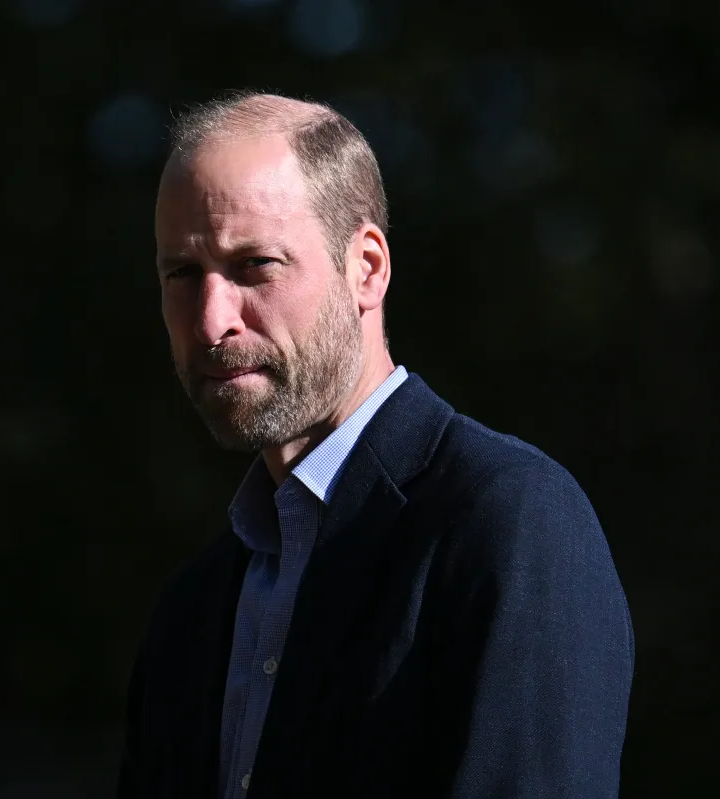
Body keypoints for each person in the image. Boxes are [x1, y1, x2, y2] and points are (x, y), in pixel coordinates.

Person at [117, 91, 634, 799]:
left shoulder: (506, 523)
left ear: (366, 267)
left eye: (254, 266)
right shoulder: (195, 608)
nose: (212, 320)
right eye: (182, 273)